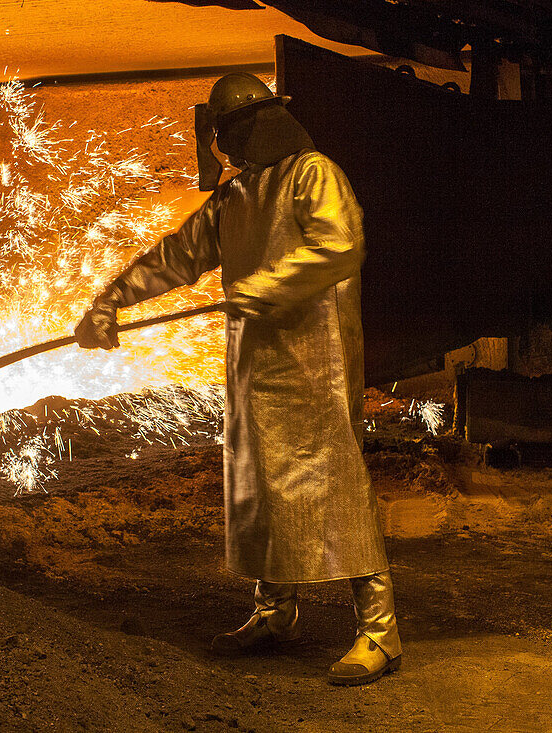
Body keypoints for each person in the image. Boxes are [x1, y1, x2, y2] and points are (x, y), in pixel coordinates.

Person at [73, 73, 400, 686]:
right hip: (257, 364)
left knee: (338, 488)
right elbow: (179, 255)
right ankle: (275, 612)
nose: (225, 145)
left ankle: (381, 633)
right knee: (258, 489)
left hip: (315, 364)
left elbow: (340, 246)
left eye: (228, 133)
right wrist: (111, 299)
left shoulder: (313, 174)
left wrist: (261, 286)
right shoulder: (236, 196)